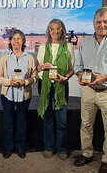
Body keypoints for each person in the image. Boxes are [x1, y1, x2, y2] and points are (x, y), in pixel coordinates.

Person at [74, 7, 107, 173]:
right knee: (86, 124)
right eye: (98, 22)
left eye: (105, 22)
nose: (102, 25)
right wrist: (80, 75)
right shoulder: (85, 42)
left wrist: (105, 77)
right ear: (93, 23)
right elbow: (78, 66)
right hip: (88, 91)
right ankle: (87, 154)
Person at [37, 19, 74, 160]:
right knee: (47, 118)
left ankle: (62, 148)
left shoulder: (68, 47)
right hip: (45, 85)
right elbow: (38, 67)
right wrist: (43, 67)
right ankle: (48, 147)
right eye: (52, 29)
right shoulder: (42, 47)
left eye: (58, 28)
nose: (55, 31)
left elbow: (71, 69)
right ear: (49, 31)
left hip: (61, 85)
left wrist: (65, 78)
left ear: (62, 30)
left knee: (62, 119)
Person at [0, 30, 38, 159]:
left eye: (19, 38)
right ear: (10, 41)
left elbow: (35, 77)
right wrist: (10, 82)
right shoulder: (5, 57)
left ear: (23, 41)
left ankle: (20, 147)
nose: (16, 41)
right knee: (8, 122)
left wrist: (25, 81)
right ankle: (8, 148)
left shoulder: (30, 58)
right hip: (7, 94)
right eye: (14, 38)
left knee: (21, 122)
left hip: (24, 95)